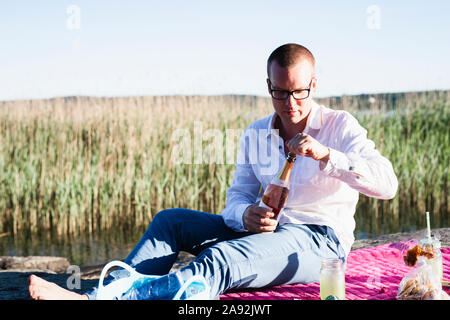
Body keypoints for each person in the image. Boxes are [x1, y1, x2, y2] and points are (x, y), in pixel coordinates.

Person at [28, 43, 398, 300]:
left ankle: (95, 298)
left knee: (219, 261)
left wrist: (326, 155)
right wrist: (244, 215)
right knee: (170, 221)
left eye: (299, 92)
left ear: (313, 85)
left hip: (320, 242)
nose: (290, 104)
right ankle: (114, 288)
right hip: (265, 236)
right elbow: (236, 197)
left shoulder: (339, 125)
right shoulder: (256, 132)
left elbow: (387, 184)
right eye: (280, 93)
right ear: (268, 87)